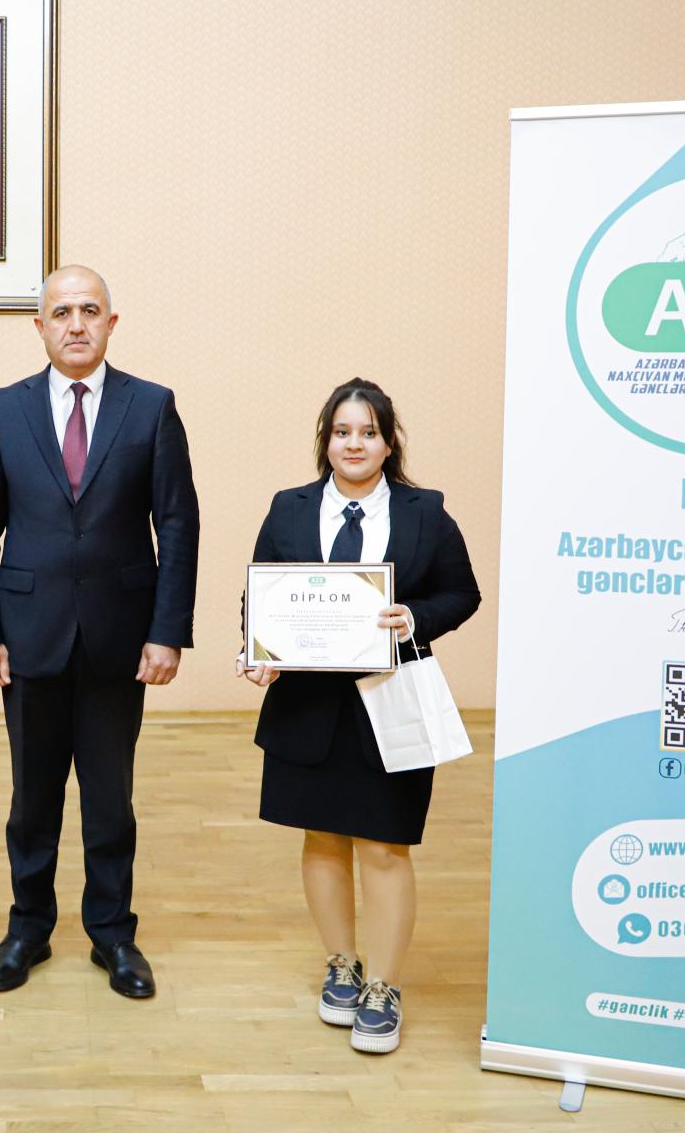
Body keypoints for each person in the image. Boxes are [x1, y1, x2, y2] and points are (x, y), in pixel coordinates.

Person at [0, 265, 199, 999]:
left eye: (89, 311)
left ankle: (113, 935)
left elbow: (178, 526)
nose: (75, 324)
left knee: (109, 799)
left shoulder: (151, 406)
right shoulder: (4, 410)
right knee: (31, 800)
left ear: (110, 323)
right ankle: (28, 928)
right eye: (61, 312)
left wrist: (167, 631)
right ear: (39, 326)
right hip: (27, 637)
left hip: (119, 640)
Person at [238, 378, 480, 1054]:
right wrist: (258, 652)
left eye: (369, 432)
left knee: (383, 844)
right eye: (342, 432)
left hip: (390, 701)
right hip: (306, 705)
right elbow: (261, 596)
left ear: (389, 442)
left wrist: (415, 617)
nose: (355, 444)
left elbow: (462, 593)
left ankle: (384, 986)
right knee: (321, 838)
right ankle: (342, 966)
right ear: (326, 441)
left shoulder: (426, 512)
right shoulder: (288, 508)